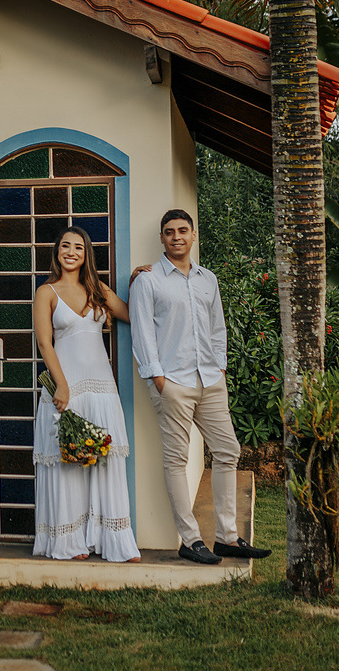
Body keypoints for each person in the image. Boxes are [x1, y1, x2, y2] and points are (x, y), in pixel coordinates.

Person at [128, 209, 271, 564]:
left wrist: (219, 367)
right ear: (162, 238)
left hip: (210, 380)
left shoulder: (209, 279)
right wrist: (158, 379)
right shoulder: (148, 281)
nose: (176, 236)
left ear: (193, 236)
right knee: (176, 459)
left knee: (228, 450)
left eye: (182, 230)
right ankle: (189, 540)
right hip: (172, 382)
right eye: (169, 232)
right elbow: (142, 331)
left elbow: (217, 328)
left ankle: (227, 537)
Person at [32, 226, 141, 562]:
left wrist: (140, 281)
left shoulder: (97, 289)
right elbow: (44, 342)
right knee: (68, 463)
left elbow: (132, 315)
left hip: (102, 388)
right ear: (57, 251)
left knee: (105, 460)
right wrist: (60, 385)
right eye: (65, 245)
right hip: (67, 387)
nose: (71, 251)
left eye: (78, 247)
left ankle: (114, 541)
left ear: (86, 254)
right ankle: (70, 541)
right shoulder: (46, 291)